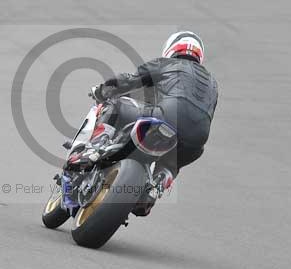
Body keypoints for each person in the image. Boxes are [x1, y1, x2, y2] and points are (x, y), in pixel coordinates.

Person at [89, 30, 219, 214]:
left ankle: (97, 145)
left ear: (171, 48)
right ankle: (156, 186)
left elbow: (128, 81)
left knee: (116, 105)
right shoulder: (213, 83)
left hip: (166, 117)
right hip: (197, 139)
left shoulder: (166, 63)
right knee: (172, 164)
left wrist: (103, 90)